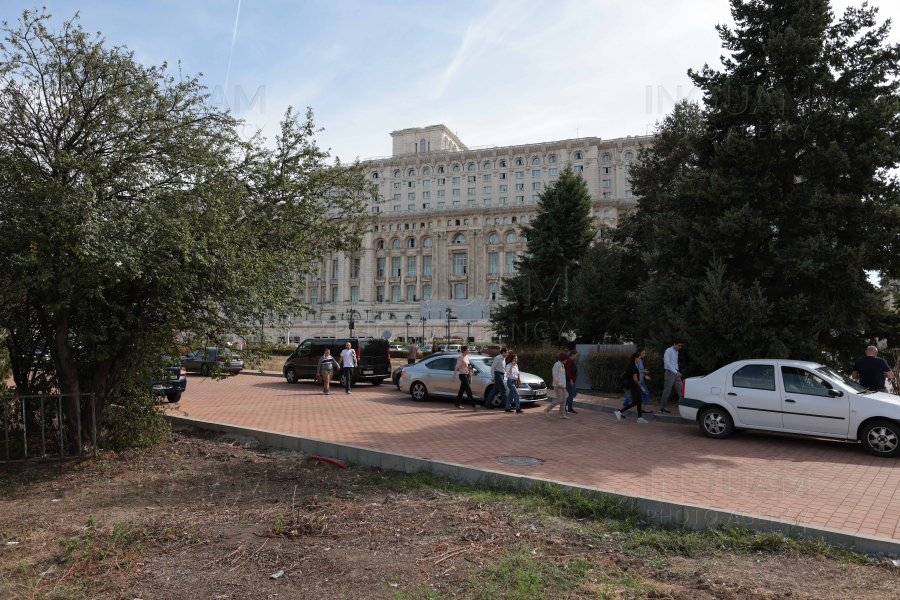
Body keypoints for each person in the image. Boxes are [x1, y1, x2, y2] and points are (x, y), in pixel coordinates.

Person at [616, 352, 649, 423]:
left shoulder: (631, 366)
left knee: (639, 401)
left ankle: (640, 418)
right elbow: (635, 378)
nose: (640, 360)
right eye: (639, 358)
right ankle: (620, 412)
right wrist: (642, 387)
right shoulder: (633, 367)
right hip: (634, 386)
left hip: (633, 386)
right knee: (635, 402)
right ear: (635, 358)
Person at [622, 347, 652, 413]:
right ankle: (621, 410)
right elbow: (635, 371)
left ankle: (643, 410)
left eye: (644, 353)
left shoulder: (640, 360)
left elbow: (638, 372)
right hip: (637, 382)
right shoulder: (636, 361)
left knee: (642, 396)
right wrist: (643, 371)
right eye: (643, 353)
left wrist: (644, 376)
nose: (644, 355)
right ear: (638, 353)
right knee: (633, 398)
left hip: (640, 380)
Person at [660, 338, 683, 414]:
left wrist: (677, 372)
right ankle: (662, 408)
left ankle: (684, 408)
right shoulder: (668, 351)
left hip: (676, 372)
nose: (680, 347)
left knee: (681, 390)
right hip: (670, 372)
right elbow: (667, 363)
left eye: (681, 345)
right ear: (675, 344)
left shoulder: (676, 351)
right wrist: (676, 372)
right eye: (679, 345)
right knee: (667, 391)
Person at [544, 352, 570, 419]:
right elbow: (555, 375)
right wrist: (559, 384)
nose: (566, 360)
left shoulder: (562, 365)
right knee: (560, 399)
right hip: (558, 385)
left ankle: (562, 415)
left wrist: (563, 384)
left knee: (564, 399)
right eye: (566, 359)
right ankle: (547, 409)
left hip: (563, 385)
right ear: (563, 359)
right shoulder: (557, 365)